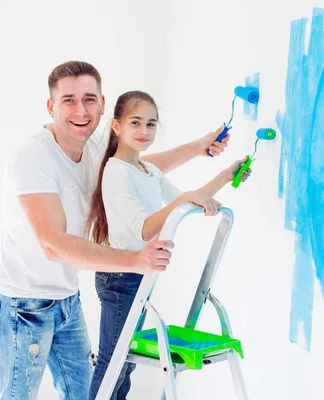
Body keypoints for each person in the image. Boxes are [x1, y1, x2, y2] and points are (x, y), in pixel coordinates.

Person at [0, 61, 231, 400]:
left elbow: (139, 169)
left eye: (89, 99)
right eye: (68, 100)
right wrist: (135, 260)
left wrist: (199, 147)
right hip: (22, 305)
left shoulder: (94, 150)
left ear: (102, 103)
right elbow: (53, 245)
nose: (81, 110)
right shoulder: (33, 157)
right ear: (51, 106)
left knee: (89, 392)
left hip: (66, 300)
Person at [86, 90, 250, 399]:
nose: (144, 131)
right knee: (113, 362)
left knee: (125, 363)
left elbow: (186, 200)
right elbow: (146, 228)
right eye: (135, 123)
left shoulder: (147, 170)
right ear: (117, 127)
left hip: (140, 276)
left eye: (151, 124)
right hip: (120, 279)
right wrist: (186, 197)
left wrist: (227, 175)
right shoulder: (116, 172)